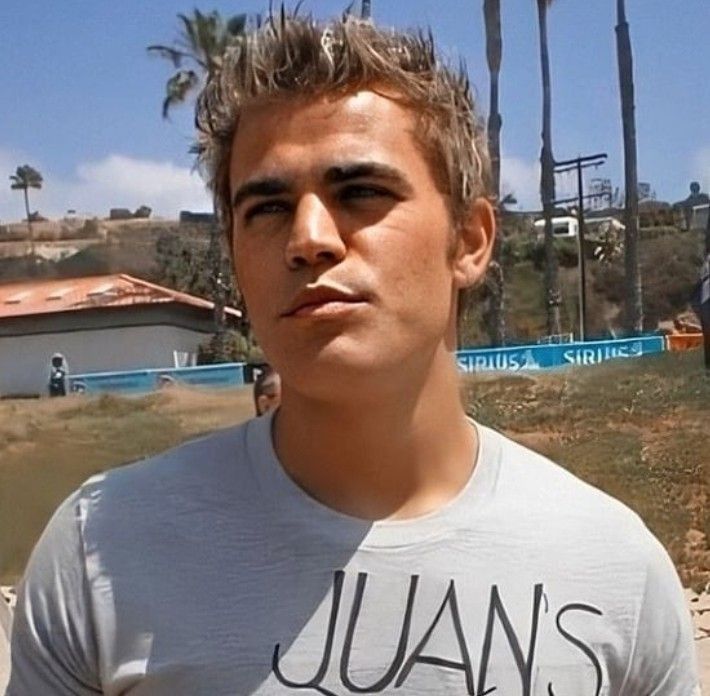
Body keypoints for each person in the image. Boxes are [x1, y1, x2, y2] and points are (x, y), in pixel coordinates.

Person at [7, 13, 699, 696]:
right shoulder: (104, 554)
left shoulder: (614, 571)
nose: (308, 238)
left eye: (360, 192)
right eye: (267, 208)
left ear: (470, 241)